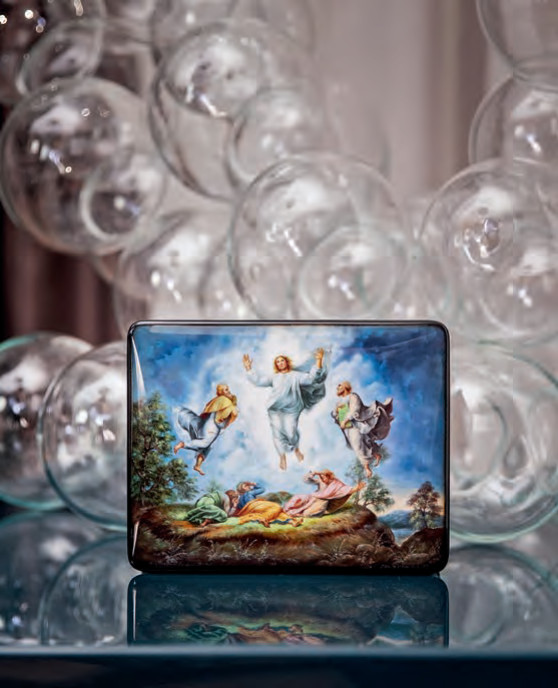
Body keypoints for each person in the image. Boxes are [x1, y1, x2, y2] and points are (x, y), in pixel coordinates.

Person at [243, 348, 327, 471]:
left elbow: (311, 379)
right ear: (276, 365)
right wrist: (249, 368)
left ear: (286, 362)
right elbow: (259, 381)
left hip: (292, 409)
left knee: (290, 431)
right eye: (278, 362)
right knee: (277, 433)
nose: (280, 363)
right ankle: (282, 457)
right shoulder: (274, 377)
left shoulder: (296, 375)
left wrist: (319, 360)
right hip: (275, 409)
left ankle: (296, 449)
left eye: (282, 360)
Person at [333, 381, 394, 479]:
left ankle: (367, 468)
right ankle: (376, 455)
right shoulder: (339, 402)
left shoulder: (353, 396)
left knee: (357, 445)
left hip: (357, 425)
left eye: (340, 385)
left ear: (345, 387)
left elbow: (355, 410)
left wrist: (345, 420)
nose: (337, 387)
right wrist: (337, 413)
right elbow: (336, 414)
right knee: (363, 443)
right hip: (348, 427)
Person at [174, 384, 238, 475]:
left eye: (228, 389)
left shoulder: (223, 401)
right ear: (221, 392)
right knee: (205, 443)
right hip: (213, 425)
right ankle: (183, 444)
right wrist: (228, 421)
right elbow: (233, 414)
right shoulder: (225, 400)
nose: (229, 391)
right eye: (226, 390)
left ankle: (197, 465)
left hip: (214, 425)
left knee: (208, 446)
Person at [284, 470, 365, 518]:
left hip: (324, 502)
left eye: (324, 478)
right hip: (314, 498)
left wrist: (356, 488)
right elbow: (306, 480)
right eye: (321, 477)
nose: (322, 480)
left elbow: (346, 490)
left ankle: (300, 512)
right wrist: (314, 473)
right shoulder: (321, 481)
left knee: (307, 513)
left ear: (329, 477)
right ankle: (291, 509)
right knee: (299, 498)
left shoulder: (336, 484)